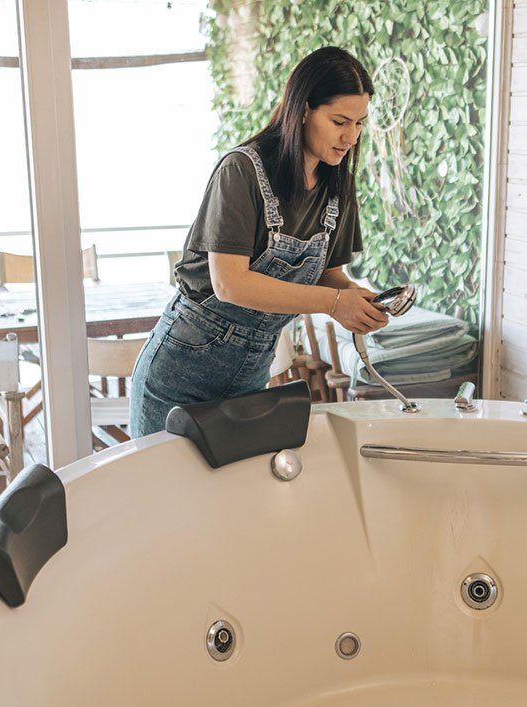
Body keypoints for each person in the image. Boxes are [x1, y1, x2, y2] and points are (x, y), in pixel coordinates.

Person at [129, 46, 389, 436]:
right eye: (339, 121)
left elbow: (330, 275)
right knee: (162, 496)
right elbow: (230, 283)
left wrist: (359, 301)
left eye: (359, 124)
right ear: (302, 110)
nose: (350, 137)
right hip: (179, 373)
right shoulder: (242, 170)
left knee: (233, 497)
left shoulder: (338, 186)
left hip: (251, 375)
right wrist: (334, 304)